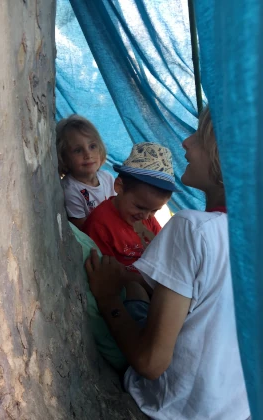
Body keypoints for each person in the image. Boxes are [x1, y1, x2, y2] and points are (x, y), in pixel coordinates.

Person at [85, 107, 250, 420]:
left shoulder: (193, 227)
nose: (186, 142)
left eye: (199, 136)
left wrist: (108, 301)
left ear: (226, 155)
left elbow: (150, 363)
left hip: (171, 408)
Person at [82, 142, 179, 272]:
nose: (145, 216)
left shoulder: (147, 219)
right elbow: (105, 272)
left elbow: (162, 248)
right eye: (140, 207)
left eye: (154, 210)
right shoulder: (100, 225)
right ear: (119, 187)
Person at [56, 114, 116, 230]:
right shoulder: (70, 189)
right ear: (64, 157)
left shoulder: (107, 178)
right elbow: (85, 230)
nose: (88, 155)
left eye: (92, 146)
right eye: (78, 150)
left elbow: (118, 211)